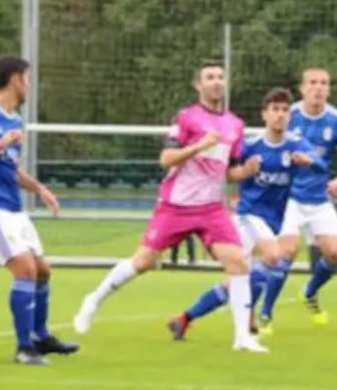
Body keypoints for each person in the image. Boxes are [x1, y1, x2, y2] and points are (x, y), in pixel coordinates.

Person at [73, 60, 266, 352]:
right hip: (176, 206)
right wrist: (199, 145)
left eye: (220, 77)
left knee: (238, 263)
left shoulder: (235, 124)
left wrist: (246, 171)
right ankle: (93, 300)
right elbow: (166, 158)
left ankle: (242, 338)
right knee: (142, 262)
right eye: (209, 77)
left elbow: (228, 172)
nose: (216, 82)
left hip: (212, 208)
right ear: (198, 85)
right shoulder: (187, 118)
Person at [171, 87, 322, 341]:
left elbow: (320, 164)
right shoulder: (250, 145)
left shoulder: (296, 144)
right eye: (274, 109)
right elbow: (227, 170)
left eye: (285, 110)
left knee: (236, 284)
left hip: (271, 222)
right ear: (264, 114)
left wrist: (309, 161)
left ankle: (183, 319)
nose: (280, 115)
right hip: (247, 217)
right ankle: (250, 315)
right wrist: (243, 173)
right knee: (274, 255)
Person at [0, 55, 78, 364]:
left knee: (42, 270)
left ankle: (40, 337)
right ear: (15, 79)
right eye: (28, 78)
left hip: (12, 206)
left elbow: (10, 169)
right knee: (25, 270)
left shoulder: (14, 119)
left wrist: (40, 189)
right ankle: (24, 348)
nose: (30, 85)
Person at [259, 68, 337, 333]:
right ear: (303, 88)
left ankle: (310, 292)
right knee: (287, 251)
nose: (319, 88)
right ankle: (266, 312)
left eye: (324, 83)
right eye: (313, 83)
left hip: (319, 198)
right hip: (288, 196)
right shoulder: (287, 115)